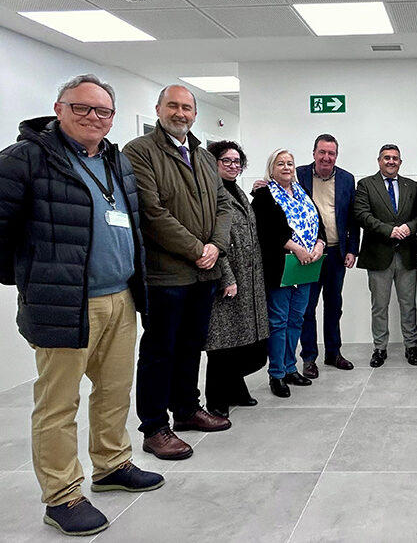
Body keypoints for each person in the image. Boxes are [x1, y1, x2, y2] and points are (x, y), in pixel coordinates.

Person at [0, 74, 163, 536]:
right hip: (66, 302)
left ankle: (112, 466)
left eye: (104, 111)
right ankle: (62, 496)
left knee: (113, 394)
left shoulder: (116, 159)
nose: (94, 118)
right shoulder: (24, 159)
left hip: (121, 296)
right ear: (58, 108)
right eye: (83, 108)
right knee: (58, 404)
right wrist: (33, 278)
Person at [123, 84, 233, 461]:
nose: (180, 113)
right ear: (158, 109)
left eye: (187, 107)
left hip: (203, 273)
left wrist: (215, 247)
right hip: (166, 274)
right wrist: (196, 249)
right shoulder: (139, 152)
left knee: (191, 346)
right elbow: (151, 213)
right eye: (173, 106)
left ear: (195, 114)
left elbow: (223, 205)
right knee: (159, 351)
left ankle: (186, 410)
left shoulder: (202, 156)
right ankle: (154, 427)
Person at [252, 149, 326, 398]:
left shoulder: (302, 193)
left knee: (297, 319)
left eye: (290, 164)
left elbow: (320, 224)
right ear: (271, 168)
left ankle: (290, 368)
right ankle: (276, 374)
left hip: (306, 267)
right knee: (278, 321)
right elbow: (267, 232)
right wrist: (296, 249)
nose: (286, 168)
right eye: (281, 164)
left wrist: (319, 245)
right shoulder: (263, 195)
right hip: (281, 267)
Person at [202, 141, 269, 418]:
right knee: (222, 345)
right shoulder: (210, 195)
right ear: (214, 164)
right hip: (227, 280)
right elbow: (211, 238)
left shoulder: (238, 192)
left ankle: (235, 387)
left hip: (250, 279)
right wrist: (226, 277)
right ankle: (216, 397)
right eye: (226, 161)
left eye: (236, 161)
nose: (232, 165)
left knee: (249, 344)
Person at [354, 144, 417, 367]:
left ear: (400, 162)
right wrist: (389, 230)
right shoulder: (365, 185)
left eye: (395, 158)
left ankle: (411, 346)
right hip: (378, 255)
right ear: (379, 161)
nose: (391, 161)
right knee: (379, 306)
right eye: (387, 158)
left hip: (407, 254)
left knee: (408, 304)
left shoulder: (412, 185)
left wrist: (409, 228)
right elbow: (362, 214)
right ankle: (379, 348)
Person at [297, 134, 359, 378]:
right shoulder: (299, 175)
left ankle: (333, 353)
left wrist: (352, 249)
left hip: (336, 252)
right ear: (314, 153)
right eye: (322, 152)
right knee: (307, 307)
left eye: (331, 153)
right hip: (309, 254)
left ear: (336, 155)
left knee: (334, 306)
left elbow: (353, 218)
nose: (326, 157)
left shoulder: (346, 179)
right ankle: (309, 358)